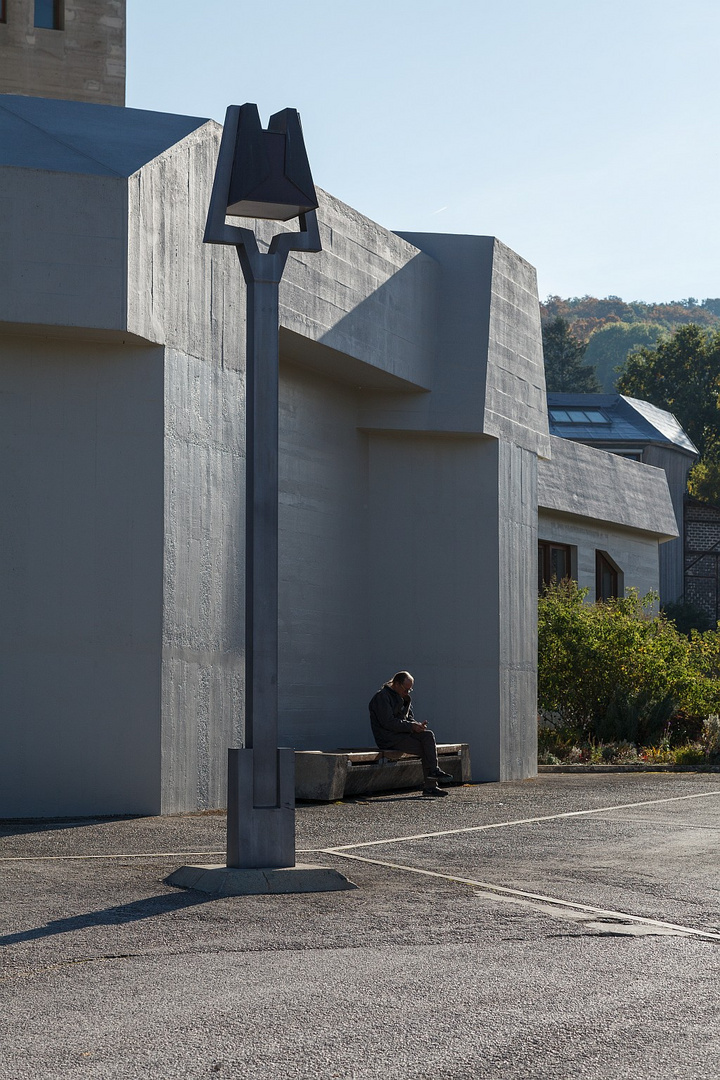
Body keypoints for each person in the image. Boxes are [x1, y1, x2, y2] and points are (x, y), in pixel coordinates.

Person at [369, 671, 453, 797]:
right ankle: (431, 785)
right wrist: (411, 726)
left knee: (428, 735)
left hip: (402, 734)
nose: (407, 692)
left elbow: (409, 719)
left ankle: (434, 773)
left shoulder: (404, 698)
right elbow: (388, 723)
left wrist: (417, 726)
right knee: (426, 749)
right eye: (406, 689)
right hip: (388, 738)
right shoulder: (382, 697)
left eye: (410, 690)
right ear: (396, 684)